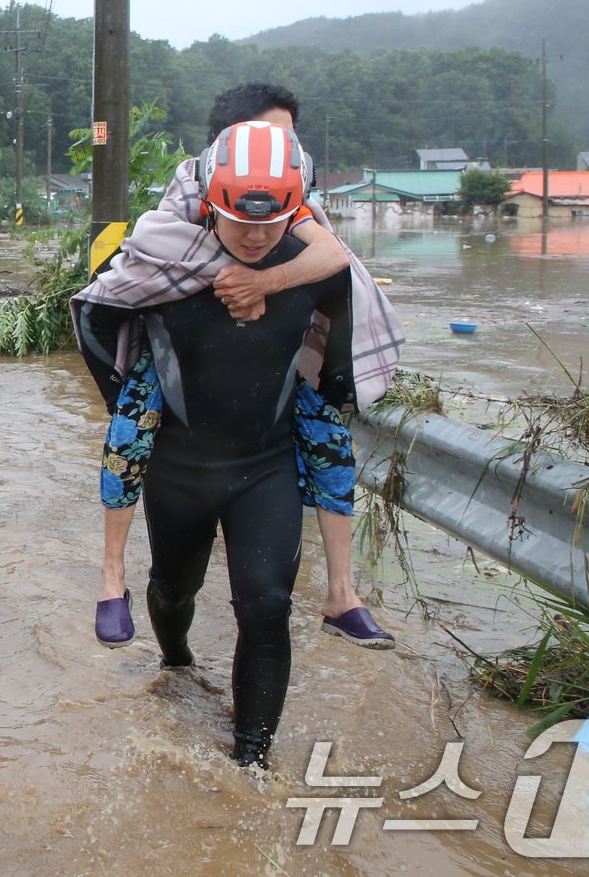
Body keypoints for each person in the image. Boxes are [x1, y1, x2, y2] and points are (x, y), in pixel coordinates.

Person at [81, 83, 401, 653]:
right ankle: (112, 579)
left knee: (329, 441)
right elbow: (153, 248)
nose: (285, 149)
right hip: (183, 375)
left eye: (289, 140)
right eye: (274, 135)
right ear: (227, 144)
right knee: (130, 431)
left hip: (266, 392)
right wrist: (221, 277)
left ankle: (342, 593)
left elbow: (332, 256)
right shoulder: (194, 185)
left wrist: (264, 281)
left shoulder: (290, 195)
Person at [76, 122, 357, 769]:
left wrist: (327, 414)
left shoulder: (312, 271)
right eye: (238, 220)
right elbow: (94, 316)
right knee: (174, 589)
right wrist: (126, 411)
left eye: (274, 221)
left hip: (265, 465)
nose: (257, 235)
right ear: (208, 203)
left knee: (267, 604)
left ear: (298, 211)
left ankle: (251, 761)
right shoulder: (161, 269)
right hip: (178, 468)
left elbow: (341, 356)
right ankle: (176, 664)